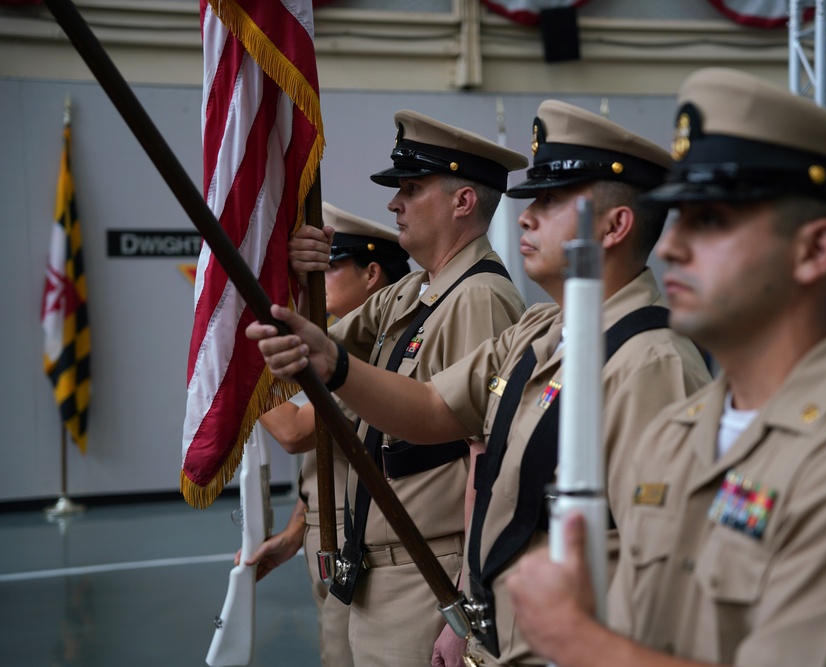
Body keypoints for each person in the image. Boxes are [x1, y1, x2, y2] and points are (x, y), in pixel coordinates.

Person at [504, 67, 826, 667]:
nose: (672, 248)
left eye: (711, 222)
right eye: (680, 219)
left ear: (814, 249)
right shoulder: (677, 434)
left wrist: (578, 640)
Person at [247, 99, 712, 666]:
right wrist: (331, 362)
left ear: (616, 225)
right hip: (506, 629)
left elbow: (666, 566)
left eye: (551, 201)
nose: (524, 216)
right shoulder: (541, 331)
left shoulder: (651, 362)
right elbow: (434, 406)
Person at [256, 109, 528, 666]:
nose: (393, 203)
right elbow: (307, 351)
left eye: (411, 188)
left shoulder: (478, 299)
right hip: (380, 569)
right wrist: (295, 279)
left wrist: (467, 608)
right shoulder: (408, 296)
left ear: (463, 202)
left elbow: (492, 462)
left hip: (428, 574)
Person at [241, 202, 411, 667]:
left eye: (330, 267)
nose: (316, 280)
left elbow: (296, 433)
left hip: (362, 534)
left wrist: (243, 360)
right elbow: (327, 451)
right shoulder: (346, 343)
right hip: (329, 523)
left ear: (372, 273)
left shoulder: (374, 357)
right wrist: (298, 527)